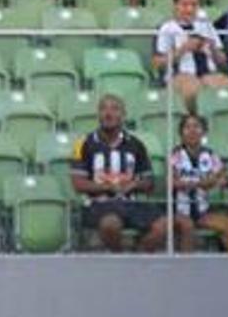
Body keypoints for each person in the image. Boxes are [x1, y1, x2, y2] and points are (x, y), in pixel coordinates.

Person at [73, 93, 170, 251]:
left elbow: (148, 181)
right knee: (110, 224)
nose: (108, 113)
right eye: (103, 109)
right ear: (98, 114)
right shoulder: (83, 144)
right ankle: (120, 258)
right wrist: (108, 188)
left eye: (115, 109)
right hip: (98, 205)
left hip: (130, 203)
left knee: (164, 225)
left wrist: (133, 185)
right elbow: (78, 183)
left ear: (123, 115)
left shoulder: (136, 144)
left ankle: (138, 256)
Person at [156, 0, 228, 110]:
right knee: (193, 88)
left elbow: (223, 62)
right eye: (184, 5)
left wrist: (212, 48)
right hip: (180, 75)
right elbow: (158, 63)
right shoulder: (167, 28)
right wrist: (183, 49)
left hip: (208, 73)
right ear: (176, 5)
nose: (189, 9)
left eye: (193, 5)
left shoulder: (206, 26)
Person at [169, 112, 228, 251]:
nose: (192, 131)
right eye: (187, 127)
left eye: (197, 127)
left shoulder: (210, 155)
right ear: (181, 133)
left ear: (204, 132)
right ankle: (186, 270)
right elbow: (173, 182)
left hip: (203, 211)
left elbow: (227, 180)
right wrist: (204, 183)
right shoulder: (175, 155)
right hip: (179, 212)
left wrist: (218, 180)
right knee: (187, 227)